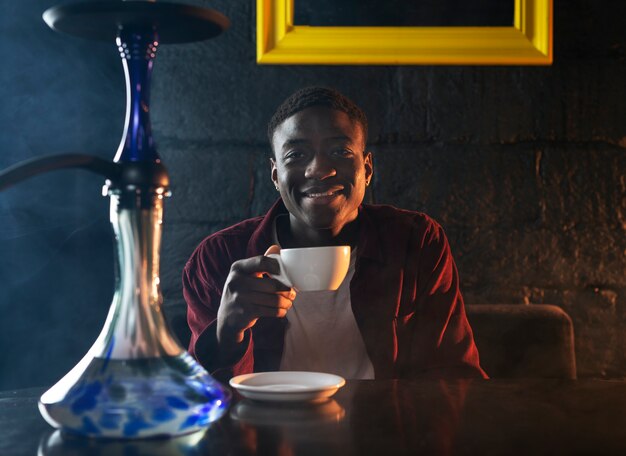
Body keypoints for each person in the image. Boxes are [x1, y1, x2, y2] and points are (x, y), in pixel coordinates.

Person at [183, 87, 487, 382]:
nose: (319, 169)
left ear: (366, 168)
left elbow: (453, 376)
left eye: (340, 151)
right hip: (264, 431)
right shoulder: (219, 258)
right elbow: (196, 400)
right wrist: (228, 332)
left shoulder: (414, 242)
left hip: (385, 430)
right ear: (275, 175)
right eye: (296, 154)